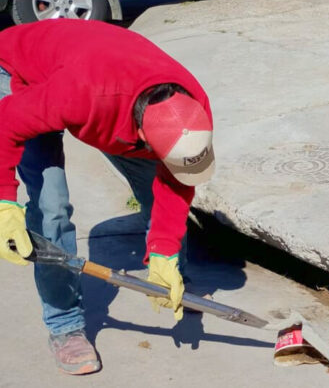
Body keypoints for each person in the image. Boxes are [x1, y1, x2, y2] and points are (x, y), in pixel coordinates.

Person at [0, 19, 215, 375]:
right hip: (17, 72)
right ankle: (64, 324)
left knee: (155, 189)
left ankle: (173, 276)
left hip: (91, 69)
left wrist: (163, 253)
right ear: (141, 137)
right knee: (50, 206)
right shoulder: (83, 96)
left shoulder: (193, 110)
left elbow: (178, 182)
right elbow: (6, 124)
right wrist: (4, 201)